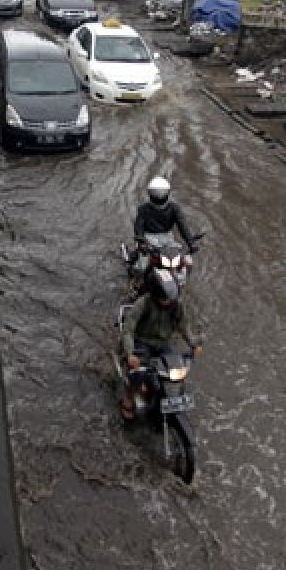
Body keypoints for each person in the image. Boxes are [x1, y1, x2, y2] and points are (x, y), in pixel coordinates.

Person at [119, 268, 203, 421]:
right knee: (137, 372)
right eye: (164, 298)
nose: (167, 301)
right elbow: (128, 330)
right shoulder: (142, 304)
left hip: (164, 344)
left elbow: (184, 326)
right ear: (155, 294)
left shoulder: (176, 306)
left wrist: (193, 344)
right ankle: (129, 398)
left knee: (177, 369)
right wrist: (130, 353)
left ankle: (171, 396)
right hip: (142, 342)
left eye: (169, 298)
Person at [131, 175, 196, 275]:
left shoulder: (173, 208)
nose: (159, 197)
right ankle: (136, 282)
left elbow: (183, 226)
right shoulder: (144, 209)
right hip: (148, 240)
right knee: (140, 269)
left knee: (186, 263)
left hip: (168, 240)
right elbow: (138, 227)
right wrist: (141, 242)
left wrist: (191, 243)